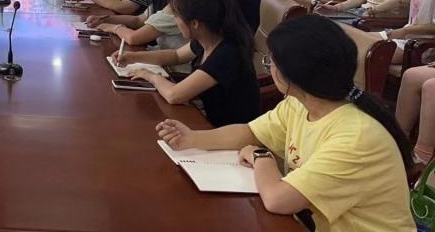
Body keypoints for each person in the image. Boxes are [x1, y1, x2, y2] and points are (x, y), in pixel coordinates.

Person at [157, 15, 414, 231]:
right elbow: (250, 132)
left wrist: (261, 157)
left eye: (271, 61)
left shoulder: (356, 137)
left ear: (288, 73)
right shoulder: (300, 103)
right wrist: (193, 138)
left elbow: (278, 200)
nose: (270, 66)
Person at [113, 0, 260, 126]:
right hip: (208, 119)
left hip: (226, 130)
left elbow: (174, 95)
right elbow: (176, 55)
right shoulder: (206, 39)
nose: (175, 21)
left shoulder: (226, 54)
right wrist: (133, 57)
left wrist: (150, 76)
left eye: (177, 16)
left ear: (195, 23)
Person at [390, 0, 435, 161]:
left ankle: (422, 156)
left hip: (422, 42)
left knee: (431, 87)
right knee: (411, 76)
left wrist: (406, 31)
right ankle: (399, 140)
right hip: (410, 36)